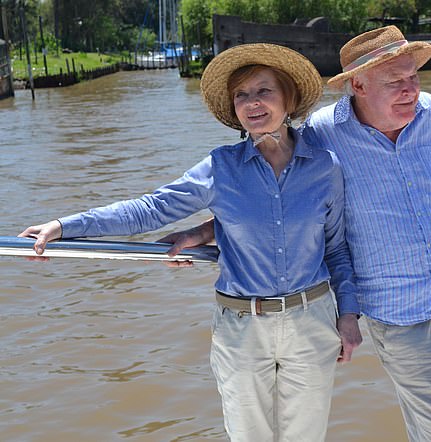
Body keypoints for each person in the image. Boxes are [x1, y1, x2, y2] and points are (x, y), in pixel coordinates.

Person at [165, 26, 431, 442]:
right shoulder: (322, 134)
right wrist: (212, 228)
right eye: (395, 82)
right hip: (399, 308)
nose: (411, 90)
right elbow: (282, 191)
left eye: (414, 77)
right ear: (358, 85)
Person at [19, 43, 362, 442]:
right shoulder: (219, 168)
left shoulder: (325, 167)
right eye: (241, 95)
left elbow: (337, 249)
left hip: (312, 320)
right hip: (241, 327)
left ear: (288, 98)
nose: (252, 103)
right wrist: (64, 226)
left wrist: (349, 314)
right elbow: (148, 209)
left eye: (263, 91)